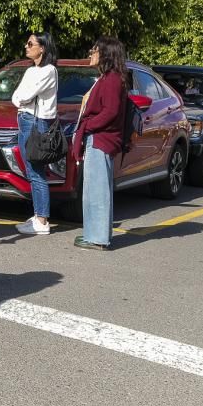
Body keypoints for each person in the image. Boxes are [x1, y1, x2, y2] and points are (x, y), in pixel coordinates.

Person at [71, 37, 128, 250]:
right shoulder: (108, 78)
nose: (90, 54)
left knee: (97, 190)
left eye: (94, 50)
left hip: (101, 139)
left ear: (106, 53)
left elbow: (110, 111)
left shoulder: (112, 79)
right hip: (99, 138)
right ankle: (96, 234)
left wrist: (88, 126)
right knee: (93, 189)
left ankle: (98, 238)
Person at [11, 31, 59, 236]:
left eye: (30, 43)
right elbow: (16, 97)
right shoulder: (31, 71)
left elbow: (27, 95)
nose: (26, 46)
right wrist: (21, 99)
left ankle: (42, 220)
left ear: (43, 48)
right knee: (30, 170)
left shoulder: (49, 70)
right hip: (24, 119)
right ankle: (38, 214)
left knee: (36, 170)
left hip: (37, 122)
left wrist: (22, 98)